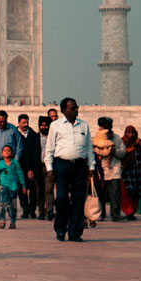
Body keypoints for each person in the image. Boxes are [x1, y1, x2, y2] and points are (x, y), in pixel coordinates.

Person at [44, 97, 95, 242]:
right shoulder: (56, 125)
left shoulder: (83, 125)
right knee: (61, 199)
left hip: (79, 166)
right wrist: (49, 169)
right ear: (64, 110)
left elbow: (89, 148)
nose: (76, 110)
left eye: (77, 107)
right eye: (73, 108)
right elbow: (49, 149)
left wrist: (91, 166)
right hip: (62, 165)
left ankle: (75, 233)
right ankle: (60, 229)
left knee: (78, 200)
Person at [92, 117, 125, 221]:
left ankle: (115, 213)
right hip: (101, 169)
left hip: (114, 169)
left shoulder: (117, 138)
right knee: (101, 192)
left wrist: (114, 151)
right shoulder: (96, 138)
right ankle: (101, 213)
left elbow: (122, 152)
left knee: (115, 192)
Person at [0, 145, 25, 229]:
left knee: (12, 205)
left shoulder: (15, 163)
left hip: (13, 186)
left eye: (9, 150)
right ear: (2, 153)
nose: (7, 152)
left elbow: (20, 174)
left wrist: (23, 185)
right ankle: (3, 220)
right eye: (5, 150)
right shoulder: (1, 164)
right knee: (3, 203)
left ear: (12, 153)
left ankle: (12, 221)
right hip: (4, 186)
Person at [17, 113, 42, 219]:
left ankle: (32, 210)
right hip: (19, 166)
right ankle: (25, 209)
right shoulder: (15, 134)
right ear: (19, 123)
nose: (25, 124)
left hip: (31, 166)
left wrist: (31, 168)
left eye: (27, 122)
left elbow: (36, 152)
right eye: (23, 122)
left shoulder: (33, 135)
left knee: (32, 189)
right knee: (21, 189)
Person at [121, 126, 141, 220]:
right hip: (126, 171)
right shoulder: (122, 142)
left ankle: (132, 212)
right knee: (127, 192)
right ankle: (128, 211)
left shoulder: (140, 143)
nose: (131, 135)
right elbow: (120, 154)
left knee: (136, 192)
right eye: (128, 132)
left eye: (132, 133)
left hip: (138, 171)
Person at [37, 116, 55, 220]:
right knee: (39, 190)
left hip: (50, 167)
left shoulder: (54, 137)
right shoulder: (35, 137)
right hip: (39, 167)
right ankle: (41, 211)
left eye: (46, 125)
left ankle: (50, 210)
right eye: (42, 125)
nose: (44, 127)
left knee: (49, 189)